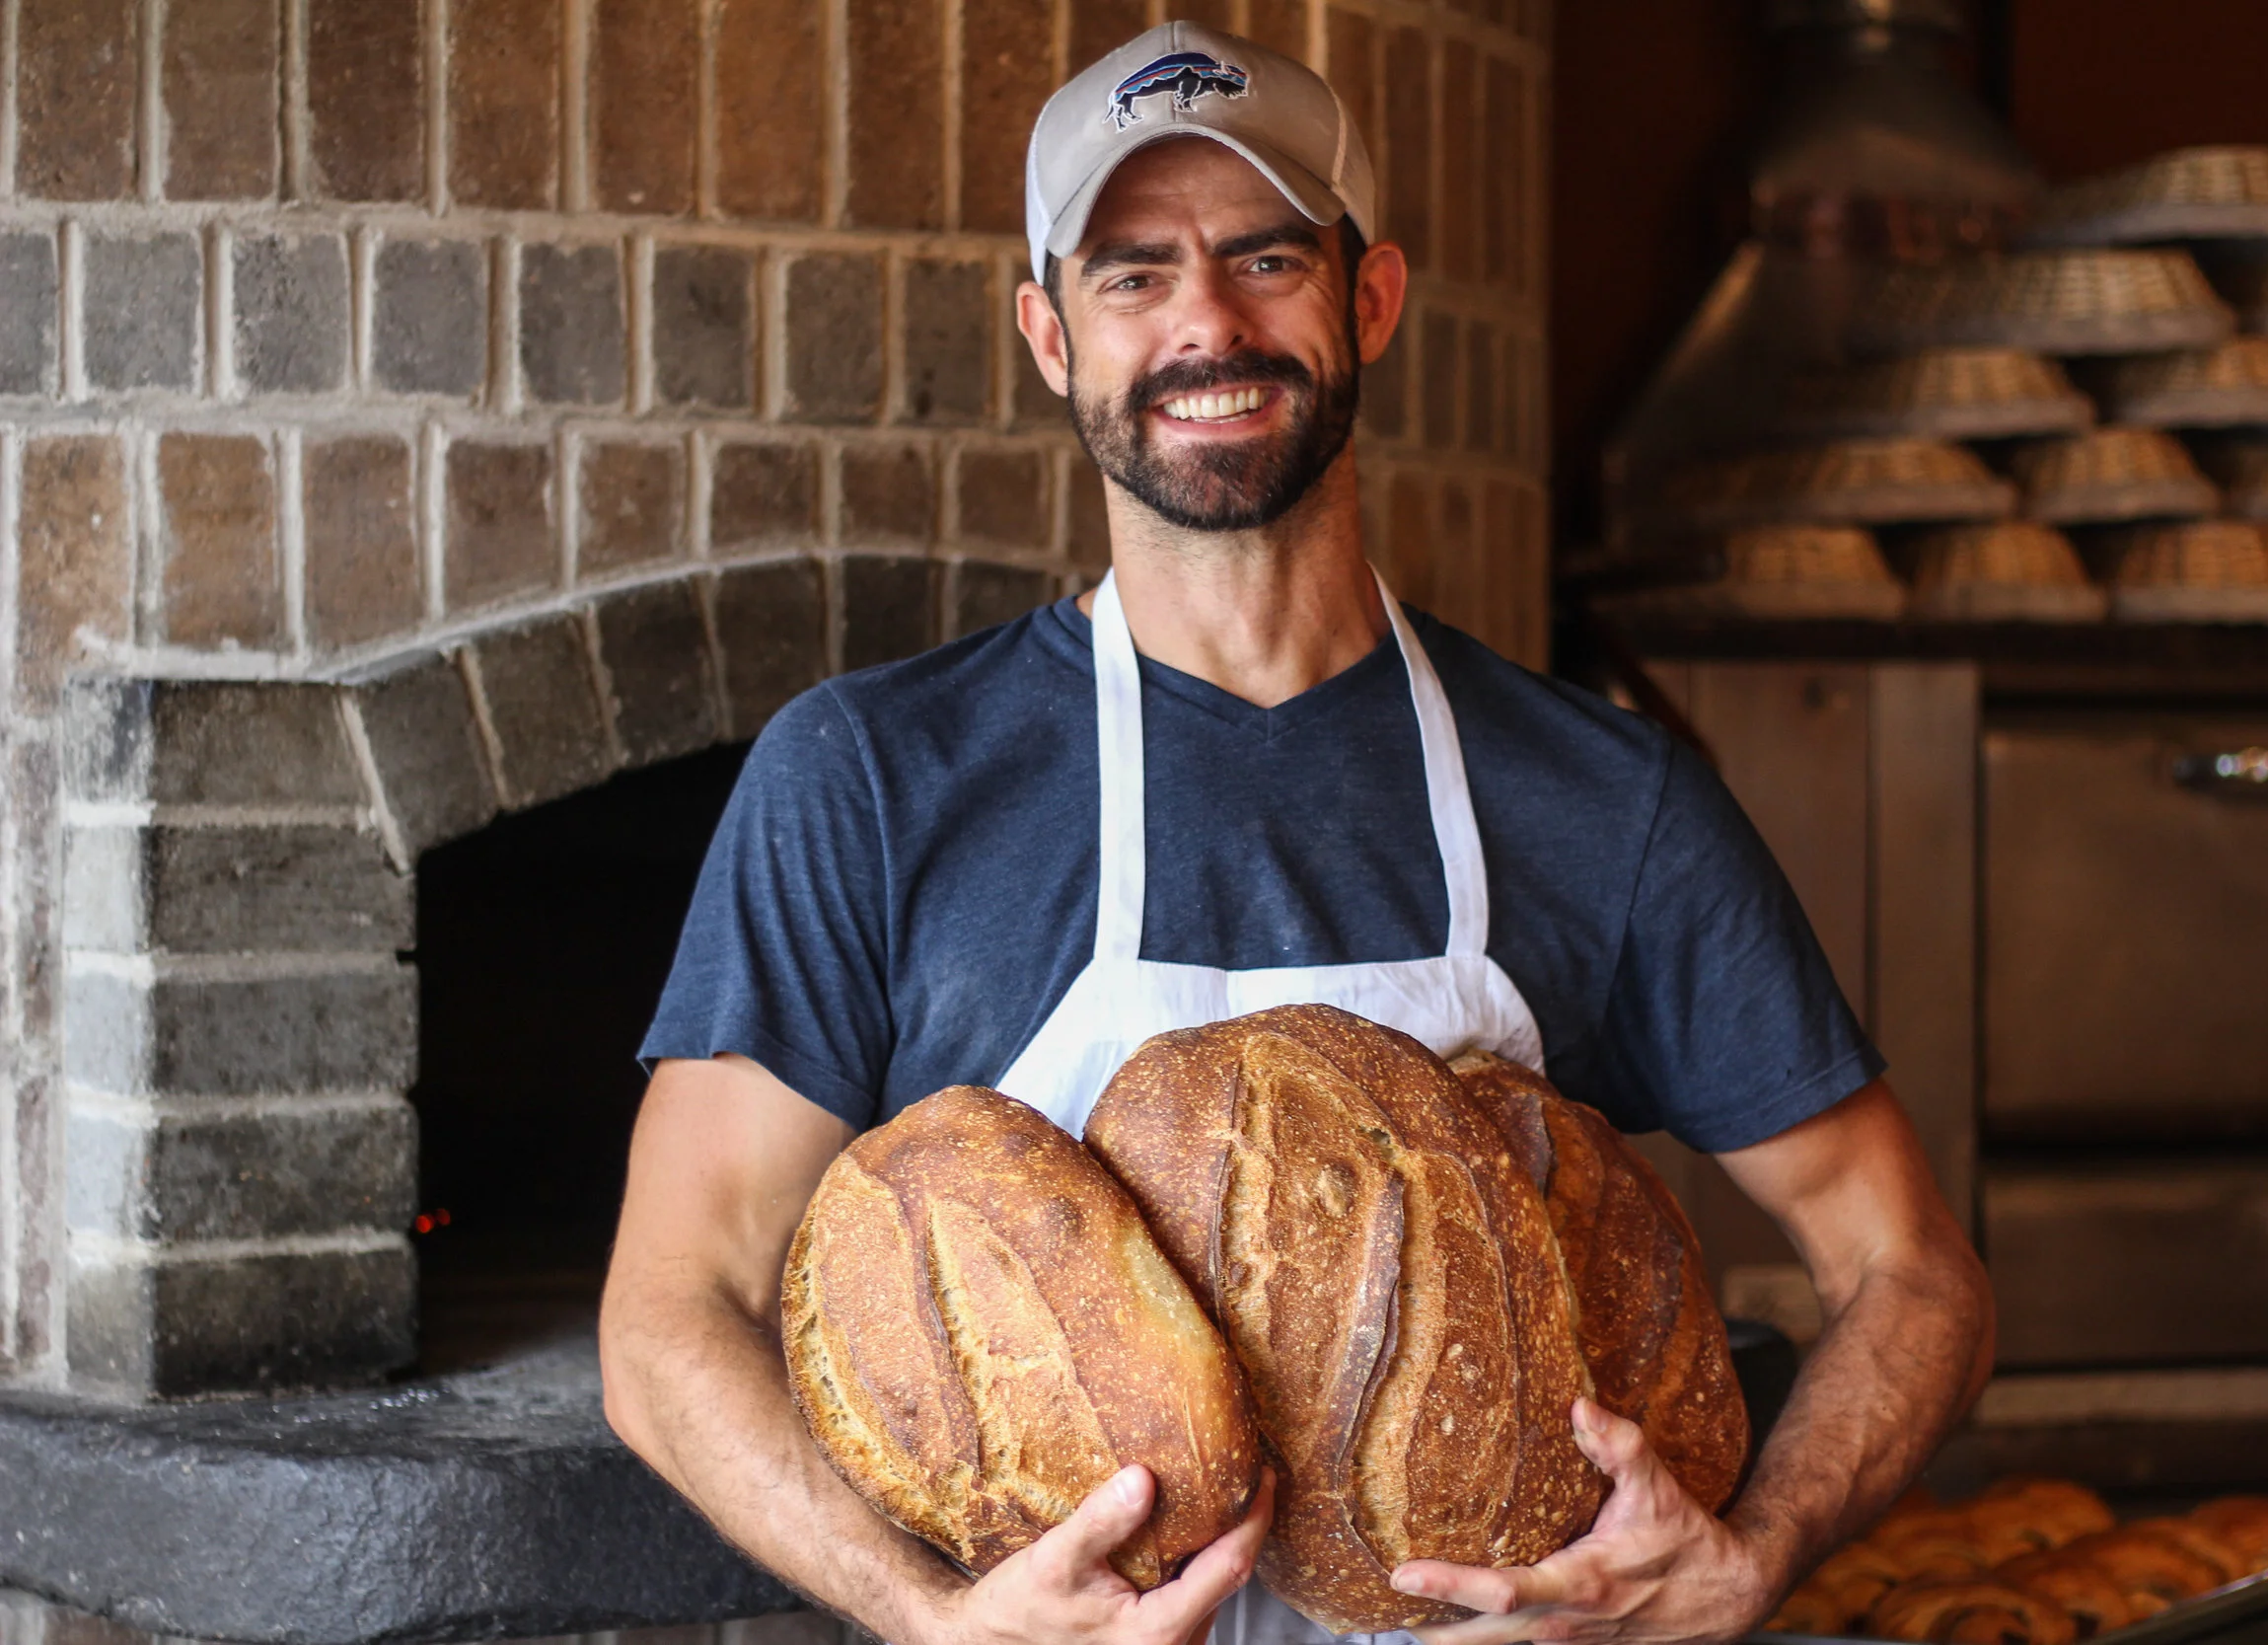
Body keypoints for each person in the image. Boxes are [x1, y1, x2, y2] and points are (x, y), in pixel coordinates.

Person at [600, 21, 1992, 1645]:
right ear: (1050, 334)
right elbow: (669, 1313)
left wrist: (1754, 1552)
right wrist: (926, 1617)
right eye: (1133, 274)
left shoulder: (1606, 798)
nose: (1206, 321)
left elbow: (1914, 1270)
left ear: (1370, 299)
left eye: (1265, 257)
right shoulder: (870, 778)